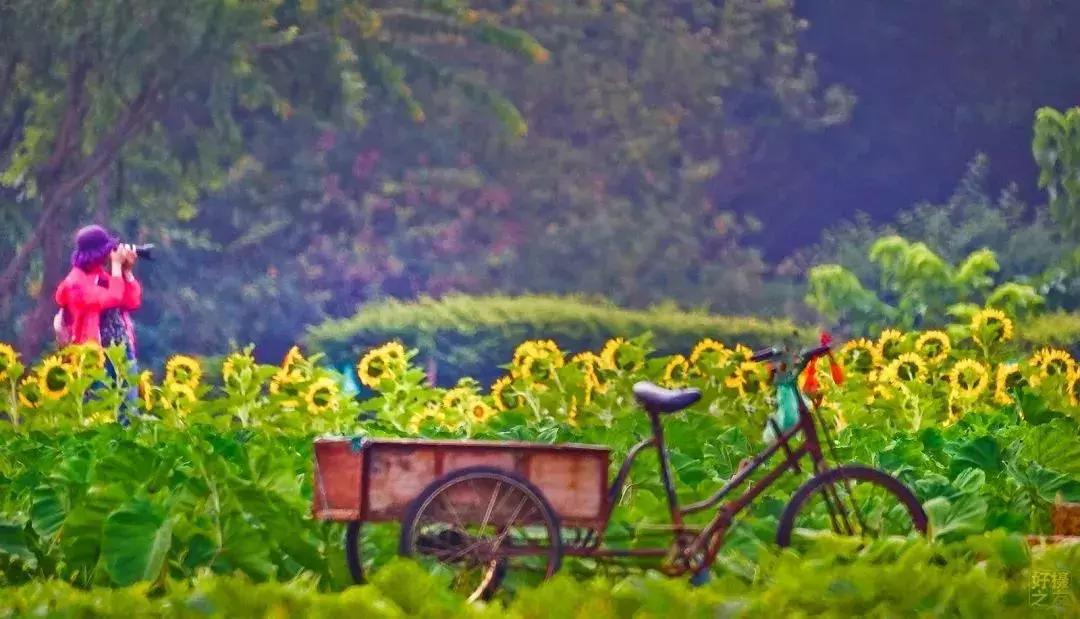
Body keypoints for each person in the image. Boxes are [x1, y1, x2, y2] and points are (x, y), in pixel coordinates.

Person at [54, 225, 142, 422]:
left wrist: (126, 272)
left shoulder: (104, 276)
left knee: (129, 415)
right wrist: (117, 268)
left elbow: (131, 301)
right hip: (96, 357)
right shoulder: (74, 284)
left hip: (122, 352)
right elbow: (110, 298)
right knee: (101, 415)